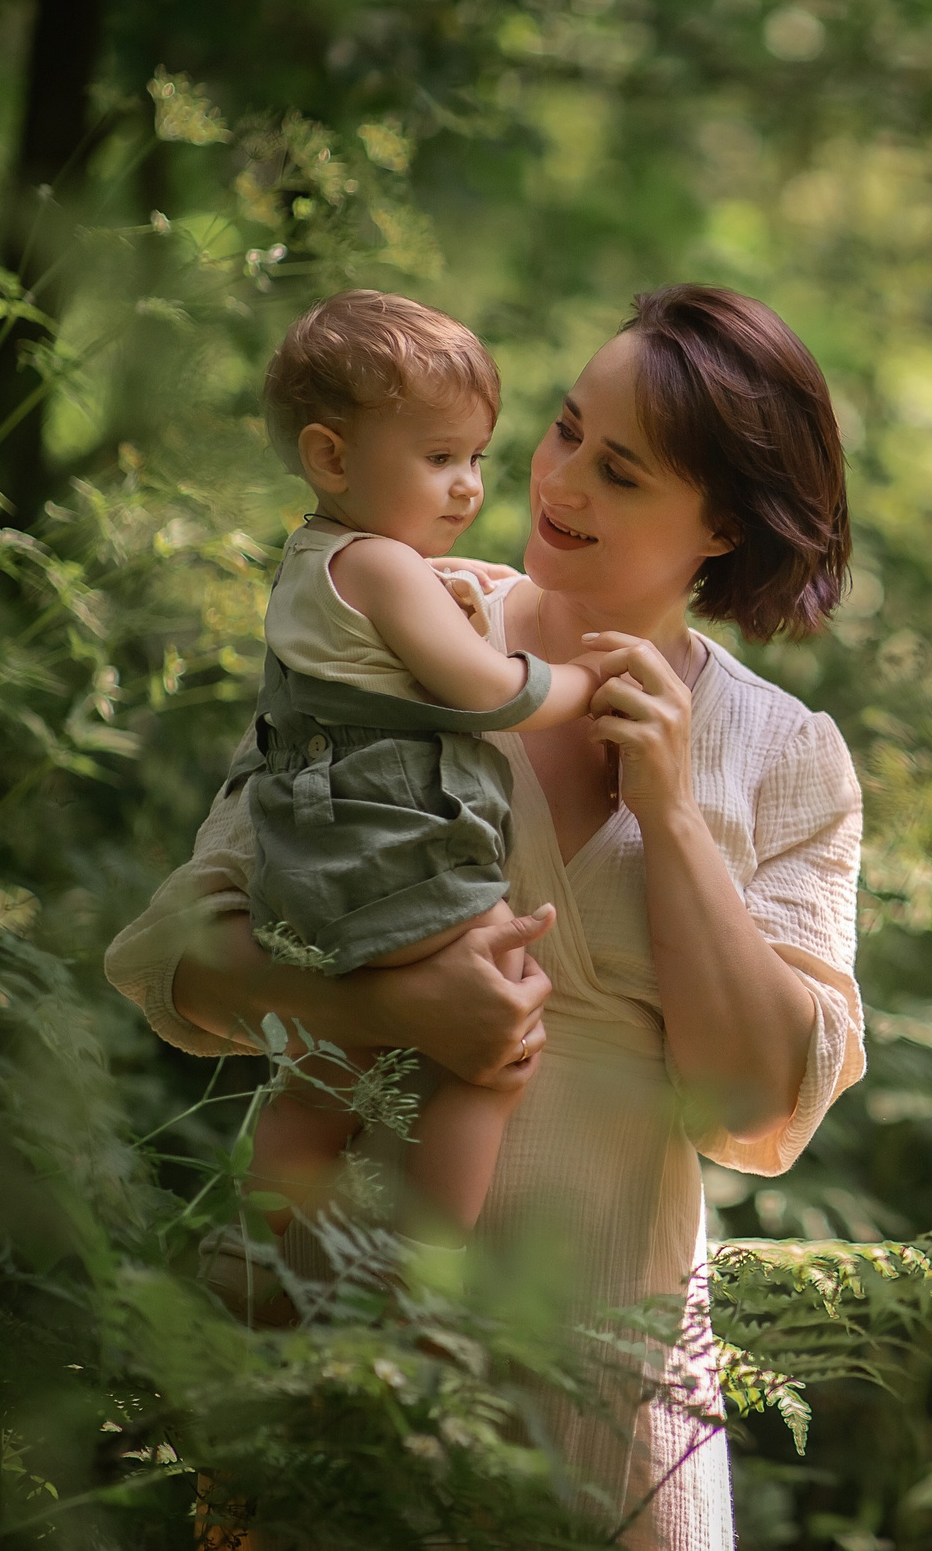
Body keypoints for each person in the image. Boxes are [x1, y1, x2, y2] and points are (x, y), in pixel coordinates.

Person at [104, 285, 866, 1547]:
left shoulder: (784, 756)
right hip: (340, 1350)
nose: (558, 482)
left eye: (618, 471)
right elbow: (173, 963)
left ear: (722, 525)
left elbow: (750, 1108)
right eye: (564, 430)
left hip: (606, 1391)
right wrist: (388, 1007)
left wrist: (671, 818)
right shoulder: (400, 627)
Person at [239, 288, 614, 1240]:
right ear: (330, 456)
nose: (469, 486)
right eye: (439, 457)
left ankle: (255, 1263)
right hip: (394, 856)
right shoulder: (385, 566)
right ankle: (420, 1280)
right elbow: (489, 692)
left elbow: (369, 656)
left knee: (325, 1070)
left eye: (477, 457)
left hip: (309, 872)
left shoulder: (314, 559)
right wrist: (579, 681)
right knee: (496, 1050)